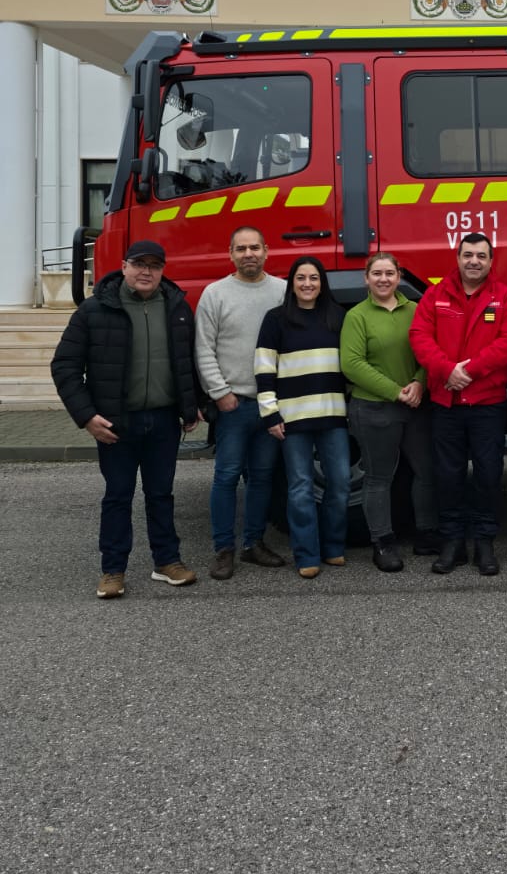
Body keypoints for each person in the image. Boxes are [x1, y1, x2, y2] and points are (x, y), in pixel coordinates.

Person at [51, 239, 200, 598]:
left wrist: (191, 404)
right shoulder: (94, 310)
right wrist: (86, 417)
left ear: (163, 270)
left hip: (164, 421)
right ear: (123, 266)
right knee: (118, 495)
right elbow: (65, 366)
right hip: (117, 424)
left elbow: (188, 362)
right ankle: (113, 570)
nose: (146, 271)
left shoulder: (178, 308)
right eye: (139, 263)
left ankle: (167, 561)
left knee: (161, 494)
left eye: (154, 265)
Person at [409, 233, 507, 576]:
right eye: (468, 255)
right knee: (448, 475)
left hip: (487, 403)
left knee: (489, 475)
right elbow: (419, 336)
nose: (474, 261)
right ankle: (453, 543)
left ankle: (485, 543)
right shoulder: (435, 295)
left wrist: (468, 371)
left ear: (491, 261)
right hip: (446, 402)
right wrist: (446, 371)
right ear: (457, 258)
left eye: (481, 256)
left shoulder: (506, 298)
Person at [194, 225, 287, 579]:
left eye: (254, 248)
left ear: (266, 250)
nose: (249, 254)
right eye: (241, 248)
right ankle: (224, 549)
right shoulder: (215, 294)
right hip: (232, 404)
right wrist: (220, 393)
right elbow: (203, 348)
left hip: (269, 404)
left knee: (263, 477)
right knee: (227, 476)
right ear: (230, 254)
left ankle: (253, 544)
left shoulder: (281, 291)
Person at [340, 251, 436, 573]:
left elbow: (430, 350)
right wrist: (396, 391)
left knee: (425, 471)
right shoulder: (357, 316)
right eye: (376, 273)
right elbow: (352, 364)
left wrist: (419, 383)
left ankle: (427, 533)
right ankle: (382, 541)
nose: (383, 279)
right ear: (366, 278)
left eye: (389, 273)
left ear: (399, 277)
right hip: (375, 408)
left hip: (416, 403)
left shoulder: (416, 310)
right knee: (379, 477)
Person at [254, 257, 350, 580]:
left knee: (339, 484)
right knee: (300, 488)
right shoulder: (276, 320)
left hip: (333, 416)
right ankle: (307, 554)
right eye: (300, 278)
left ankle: (333, 547)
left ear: (322, 283)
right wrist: (270, 413)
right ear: (291, 283)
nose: (307, 284)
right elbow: (264, 369)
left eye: (313, 278)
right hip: (292, 419)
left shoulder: (338, 317)